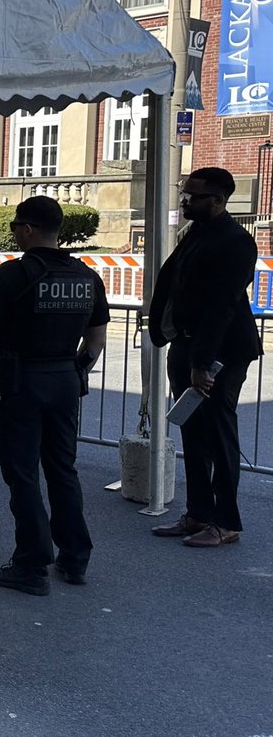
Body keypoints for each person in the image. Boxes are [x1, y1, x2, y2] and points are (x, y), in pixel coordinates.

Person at [0, 196, 108, 595]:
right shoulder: (86, 277)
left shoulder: (9, 276)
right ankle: (74, 558)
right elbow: (96, 340)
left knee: (22, 473)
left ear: (28, 229)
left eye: (16, 225)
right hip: (65, 380)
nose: (14, 232)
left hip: (21, 384)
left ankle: (31, 564)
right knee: (62, 469)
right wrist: (73, 370)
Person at [147, 167, 262, 548]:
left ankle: (226, 522)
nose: (185, 201)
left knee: (218, 433)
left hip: (219, 354)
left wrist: (200, 363)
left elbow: (222, 307)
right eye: (185, 193)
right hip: (186, 344)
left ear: (218, 199)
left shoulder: (236, 242)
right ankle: (198, 513)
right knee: (192, 433)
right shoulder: (196, 234)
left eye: (194, 196)